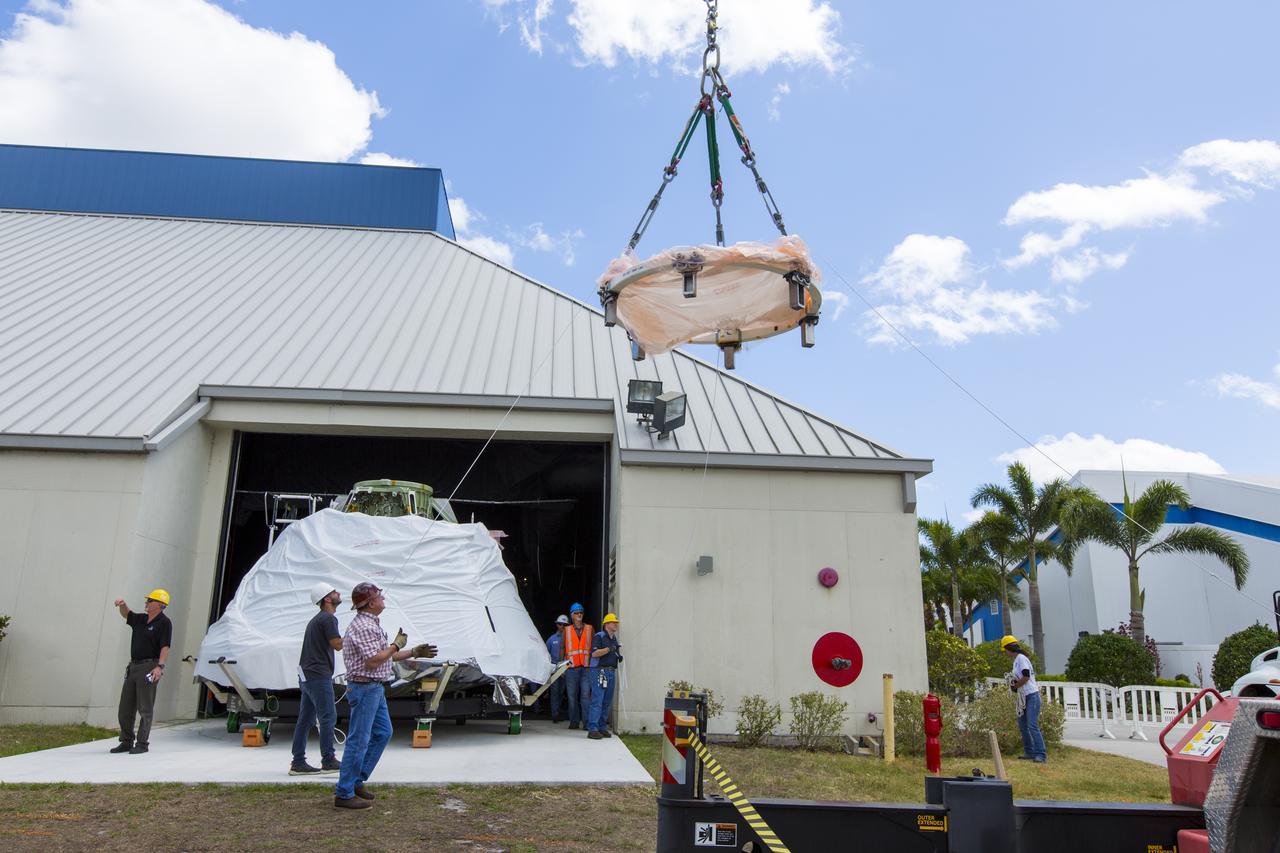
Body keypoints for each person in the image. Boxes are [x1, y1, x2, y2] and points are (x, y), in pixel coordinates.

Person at [334, 582, 436, 809]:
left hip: (373, 688)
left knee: (382, 733)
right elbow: (373, 661)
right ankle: (344, 792)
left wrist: (413, 652)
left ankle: (355, 781)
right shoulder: (364, 627)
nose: (383, 599)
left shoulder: (371, 624)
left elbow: (384, 656)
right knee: (359, 740)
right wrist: (395, 646)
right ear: (370, 603)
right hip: (365, 688)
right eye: (379, 596)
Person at [110, 589, 173, 755]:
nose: (146, 603)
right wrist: (122, 605)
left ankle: (142, 743)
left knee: (145, 707)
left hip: (149, 666)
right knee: (125, 708)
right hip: (134, 666)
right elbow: (127, 614)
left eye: (150, 600)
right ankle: (126, 741)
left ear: (160, 605)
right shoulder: (140, 619)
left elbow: (165, 646)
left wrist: (160, 667)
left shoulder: (164, 623)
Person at [290, 582, 344, 776]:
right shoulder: (328, 619)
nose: (338, 593)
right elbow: (337, 644)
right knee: (328, 717)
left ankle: (298, 762)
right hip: (318, 675)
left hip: (307, 675)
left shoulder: (317, 620)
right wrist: (357, 636)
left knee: (305, 720)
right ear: (327, 599)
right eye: (334, 592)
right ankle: (328, 760)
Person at [1001, 634, 1046, 763]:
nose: (1005, 653)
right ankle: (1029, 752)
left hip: (1031, 696)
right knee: (1023, 726)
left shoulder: (1021, 658)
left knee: (1032, 726)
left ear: (1009, 648)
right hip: (1024, 696)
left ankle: (1041, 754)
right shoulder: (1016, 660)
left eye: (1005, 650)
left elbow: (1026, 677)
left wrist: (1015, 686)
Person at [586, 613, 622, 740]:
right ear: (606, 624)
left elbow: (613, 651)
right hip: (599, 671)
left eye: (616, 623)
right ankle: (593, 729)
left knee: (607, 701)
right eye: (613, 622)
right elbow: (594, 653)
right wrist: (608, 649)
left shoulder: (614, 638)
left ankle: (601, 727)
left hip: (610, 671)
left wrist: (618, 656)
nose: (616, 624)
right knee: (597, 700)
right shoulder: (599, 636)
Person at [561, 603, 593, 730]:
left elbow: (594, 647)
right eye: (576, 612)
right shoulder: (566, 630)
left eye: (581, 612)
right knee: (572, 697)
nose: (579, 614)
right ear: (572, 615)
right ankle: (574, 722)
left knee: (585, 696)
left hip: (586, 668)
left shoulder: (590, 629)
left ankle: (586, 723)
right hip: (571, 669)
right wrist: (561, 666)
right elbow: (562, 648)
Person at [545, 614, 569, 723]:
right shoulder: (551, 639)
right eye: (560, 624)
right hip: (554, 669)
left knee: (561, 692)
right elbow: (546, 654)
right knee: (554, 691)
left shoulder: (570, 639)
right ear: (557, 625)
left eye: (564, 624)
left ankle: (558, 712)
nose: (562, 626)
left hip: (565, 668)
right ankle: (555, 714)